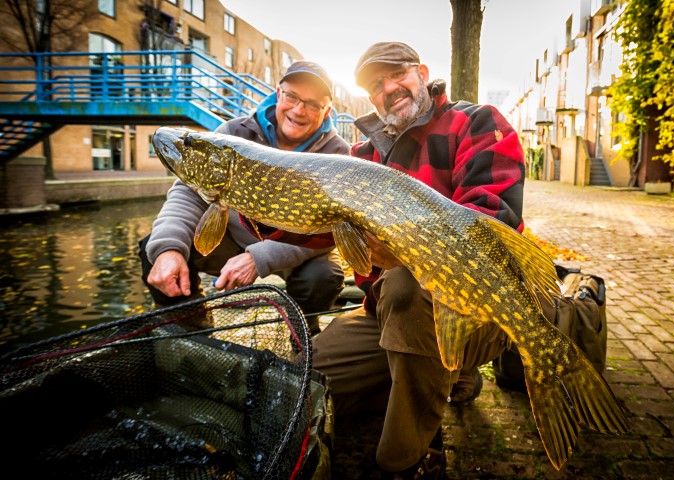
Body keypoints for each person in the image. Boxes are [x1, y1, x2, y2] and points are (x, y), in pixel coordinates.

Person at [311, 42, 526, 479]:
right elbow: (305, 230)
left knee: (406, 284)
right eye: (376, 85)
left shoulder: (477, 123)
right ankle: (450, 377)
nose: (389, 88)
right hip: (386, 316)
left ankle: (405, 459)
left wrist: (404, 253)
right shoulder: (360, 158)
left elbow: (491, 221)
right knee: (308, 379)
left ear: (422, 72)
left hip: (477, 309)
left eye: (398, 74)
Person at [139, 61, 348, 334]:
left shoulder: (337, 154)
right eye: (292, 97)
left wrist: (258, 258)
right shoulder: (233, 133)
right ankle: (192, 327)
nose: (298, 110)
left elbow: (331, 231)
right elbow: (187, 196)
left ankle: (303, 335)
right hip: (233, 239)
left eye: (312, 104)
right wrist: (168, 248)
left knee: (323, 277)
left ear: (327, 110)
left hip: (296, 250)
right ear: (278, 93)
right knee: (157, 249)